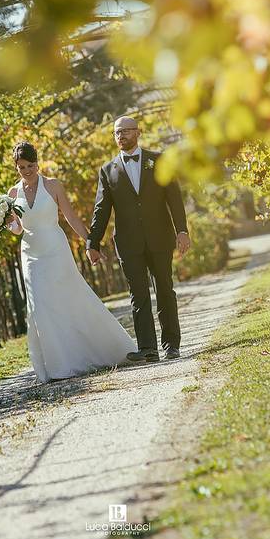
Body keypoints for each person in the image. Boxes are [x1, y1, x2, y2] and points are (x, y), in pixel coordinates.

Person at [6, 142, 136, 383]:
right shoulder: (12, 194)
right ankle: (58, 367)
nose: (26, 171)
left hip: (56, 249)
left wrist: (90, 243)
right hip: (30, 254)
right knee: (40, 307)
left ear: (38, 163)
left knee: (70, 297)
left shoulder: (53, 185)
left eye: (30, 165)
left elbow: (71, 216)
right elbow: (17, 229)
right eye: (21, 167)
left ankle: (103, 349)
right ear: (16, 166)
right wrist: (6, 223)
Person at [86, 116, 190, 363]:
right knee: (139, 295)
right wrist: (93, 242)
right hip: (128, 242)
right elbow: (101, 209)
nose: (120, 136)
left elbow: (174, 198)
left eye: (125, 131)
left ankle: (171, 345)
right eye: (116, 133)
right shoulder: (107, 170)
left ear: (138, 132)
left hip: (160, 238)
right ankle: (147, 348)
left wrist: (182, 230)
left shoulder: (159, 160)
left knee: (164, 289)